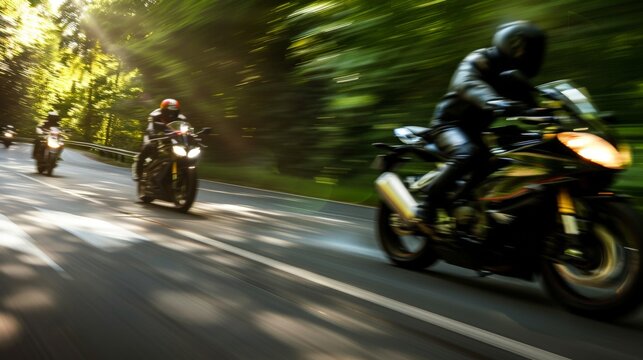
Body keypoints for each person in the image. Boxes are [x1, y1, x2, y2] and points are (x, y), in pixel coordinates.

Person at [419, 21, 546, 223]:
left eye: (533, 50)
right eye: (525, 48)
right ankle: (428, 203)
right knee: (467, 153)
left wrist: (552, 114)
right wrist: (494, 101)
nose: (527, 54)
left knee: (516, 157)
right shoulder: (480, 59)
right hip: (449, 125)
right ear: (512, 43)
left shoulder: (514, 76)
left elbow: (532, 104)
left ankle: (476, 204)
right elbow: (467, 84)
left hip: (479, 131)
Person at [133, 98, 186, 181]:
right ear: (163, 110)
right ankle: (138, 173)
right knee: (148, 146)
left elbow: (186, 128)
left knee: (184, 152)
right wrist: (152, 134)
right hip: (155, 136)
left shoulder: (181, 118)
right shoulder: (155, 115)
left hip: (172, 138)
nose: (171, 114)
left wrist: (191, 134)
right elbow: (151, 127)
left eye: (174, 111)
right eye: (169, 111)